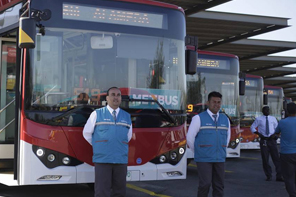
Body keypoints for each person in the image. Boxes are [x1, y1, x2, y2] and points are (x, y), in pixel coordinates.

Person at [83, 87, 132, 197]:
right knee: (102, 192)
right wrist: (99, 145)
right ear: (107, 98)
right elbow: (86, 133)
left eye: (118, 95)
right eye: (113, 94)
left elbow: (127, 137)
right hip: (103, 160)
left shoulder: (127, 116)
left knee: (120, 192)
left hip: (120, 160)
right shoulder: (97, 114)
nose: (116, 97)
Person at [187, 91, 231, 197]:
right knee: (205, 185)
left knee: (219, 186)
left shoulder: (225, 119)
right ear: (208, 102)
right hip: (204, 158)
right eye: (214, 102)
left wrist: (222, 148)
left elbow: (227, 138)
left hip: (219, 158)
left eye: (219, 102)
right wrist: (199, 151)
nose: (216, 104)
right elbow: (189, 138)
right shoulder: (198, 118)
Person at [250, 105, 283, 182]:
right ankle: (268, 175)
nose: (267, 111)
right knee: (265, 159)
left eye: (268, 110)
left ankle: (279, 175)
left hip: (272, 140)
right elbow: (252, 127)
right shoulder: (259, 119)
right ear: (263, 111)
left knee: (276, 158)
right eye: (265, 110)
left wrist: (275, 135)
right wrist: (258, 133)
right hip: (264, 140)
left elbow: (277, 128)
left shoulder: (273, 119)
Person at [275, 102, 296, 196]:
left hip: (286, 154)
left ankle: (292, 194)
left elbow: (276, 134)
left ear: (287, 111)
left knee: (288, 177)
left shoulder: (282, 122)